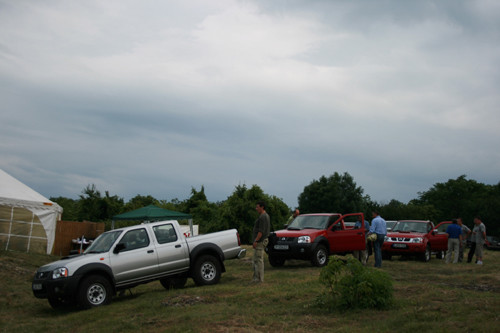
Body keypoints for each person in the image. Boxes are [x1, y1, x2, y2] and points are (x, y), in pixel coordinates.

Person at [252, 201, 271, 283]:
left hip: (260, 241)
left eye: (257, 207)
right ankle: (256, 278)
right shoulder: (265, 216)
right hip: (261, 240)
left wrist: (256, 240)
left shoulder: (263, 217)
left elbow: (261, 231)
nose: (256, 209)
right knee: (256, 260)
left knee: (259, 260)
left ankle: (259, 279)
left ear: (262, 207)